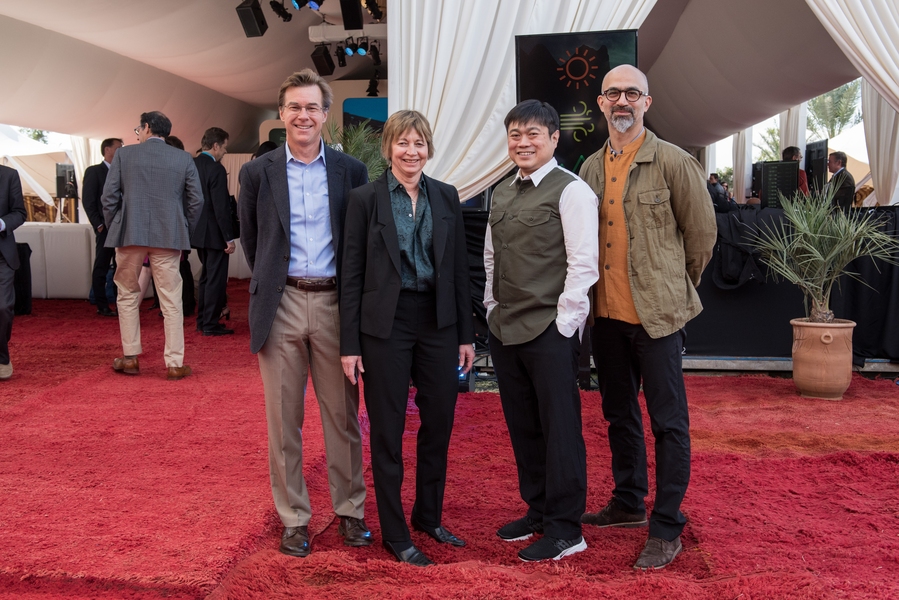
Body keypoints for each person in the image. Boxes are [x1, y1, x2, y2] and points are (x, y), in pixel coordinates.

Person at [578, 65, 717, 570]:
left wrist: (672, 290)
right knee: (618, 414)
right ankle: (627, 503)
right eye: (613, 93)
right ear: (600, 103)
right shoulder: (591, 167)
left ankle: (666, 525)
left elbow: (701, 238)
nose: (622, 101)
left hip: (657, 319)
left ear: (647, 103)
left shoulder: (674, 162)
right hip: (607, 317)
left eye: (631, 93)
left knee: (668, 422)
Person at [238, 69, 371, 558]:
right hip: (282, 304)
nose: (303, 115)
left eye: (312, 106)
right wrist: (276, 284)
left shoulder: (351, 171)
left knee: (343, 417)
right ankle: (294, 518)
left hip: (338, 304)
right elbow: (254, 242)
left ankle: (350, 511)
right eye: (294, 106)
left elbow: (357, 242)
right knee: (283, 420)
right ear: (282, 113)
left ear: (325, 113)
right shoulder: (256, 173)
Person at [340, 110, 475, 567]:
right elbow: (352, 274)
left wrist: (465, 335)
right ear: (388, 148)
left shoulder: (447, 195)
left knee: (439, 422)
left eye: (419, 143)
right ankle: (395, 534)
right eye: (402, 143)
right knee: (388, 431)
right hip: (385, 325)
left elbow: (457, 269)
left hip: (438, 323)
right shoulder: (364, 199)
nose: (411, 151)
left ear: (429, 148)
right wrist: (349, 343)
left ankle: (428, 517)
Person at [485, 99, 599, 562]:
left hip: (549, 330)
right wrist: (492, 306)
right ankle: (538, 510)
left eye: (533, 133)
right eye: (515, 134)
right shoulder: (502, 192)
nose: (523, 141)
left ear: (553, 138)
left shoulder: (571, 190)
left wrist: (564, 325)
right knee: (523, 427)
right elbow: (492, 257)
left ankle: (567, 528)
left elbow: (584, 263)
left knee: (560, 430)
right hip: (506, 327)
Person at [101, 111, 204, 381]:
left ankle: (131, 357)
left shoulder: (124, 155)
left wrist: (118, 225)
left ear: (147, 128)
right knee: (171, 299)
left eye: (139, 128)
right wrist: (182, 228)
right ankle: (174, 362)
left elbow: (109, 197)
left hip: (130, 234)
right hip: (168, 235)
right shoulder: (183, 158)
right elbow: (196, 201)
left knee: (126, 294)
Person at [191, 127, 236, 336]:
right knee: (216, 280)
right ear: (216, 145)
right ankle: (210, 324)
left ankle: (202, 321)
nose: (225, 152)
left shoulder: (192, 165)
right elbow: (221, 207)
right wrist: (229, 238)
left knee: (206, 278)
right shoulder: (216, 168)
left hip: (197, 232)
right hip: (215, 233)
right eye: (224, 147)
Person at [83, 138, 124, 317]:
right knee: (101, 264)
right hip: (105, 228)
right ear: (107, 150)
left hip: (121, 226)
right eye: (118, 148)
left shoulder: (122, 171)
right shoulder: (94, 171)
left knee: (120, 266)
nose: (121, 151)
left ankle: (119, 302)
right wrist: (98, 224)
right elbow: (88, 201)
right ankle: (101, 304)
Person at [0, 165, 26, 381]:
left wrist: (1, 223)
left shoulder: (9, 175)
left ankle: (2, 357)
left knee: (3, 307)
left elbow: (19, 212)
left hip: (2, 254)